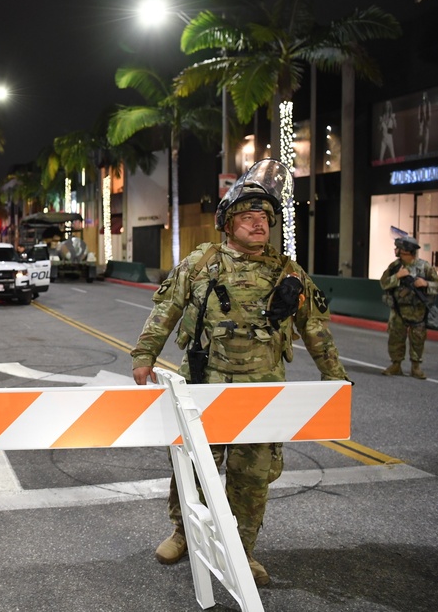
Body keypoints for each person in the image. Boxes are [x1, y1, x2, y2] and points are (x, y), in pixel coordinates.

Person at [130, 159, 348, 587]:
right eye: (247, 217)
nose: (258, 224)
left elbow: (315, 329)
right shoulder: (201, 263)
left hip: (263, 397)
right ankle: (184, 534)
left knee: (252, 481)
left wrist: (334, 378)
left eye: (264, 218)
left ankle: (242, 553)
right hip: (205, 392)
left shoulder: (287, 272)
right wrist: (144, 356)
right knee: (194, 471)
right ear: (228, 224)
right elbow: (165, 311)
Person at [379, 234, 438, 379]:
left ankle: (416, 366)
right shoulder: (395, 266)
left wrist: (426, 284)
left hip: (417, 310)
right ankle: (396, 364)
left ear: (406, 250)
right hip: (398, 310)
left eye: (399, 248)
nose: (396, 250)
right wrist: (397, 277)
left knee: (418, 339)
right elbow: (383, 283)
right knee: (395, 337)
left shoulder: (424, 267)